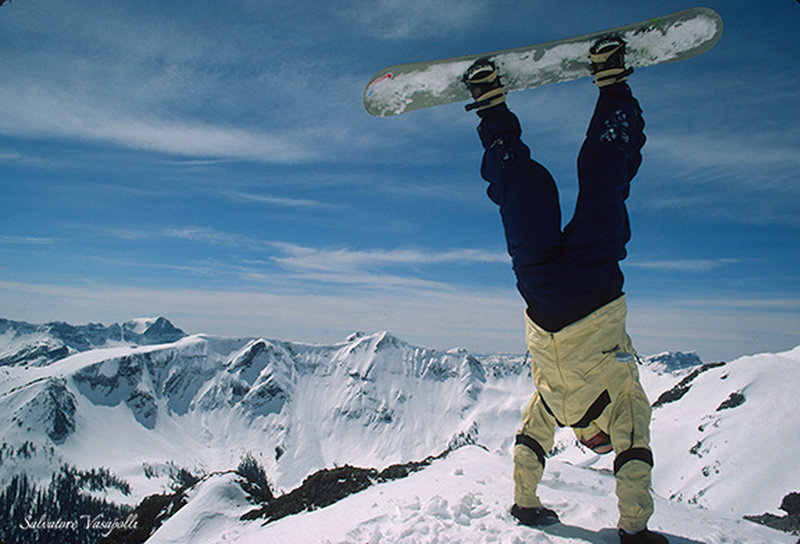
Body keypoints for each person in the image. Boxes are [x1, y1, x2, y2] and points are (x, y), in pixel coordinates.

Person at [463, 37, 667, 544]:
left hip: (549, 296)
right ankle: (612, 85)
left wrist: (525, 503)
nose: (602, 442)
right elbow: (635, 457)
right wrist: (635, 530)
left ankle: (491, 108)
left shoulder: (555, 407)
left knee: (527, 192)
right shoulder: (625, 404)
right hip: (589, 291)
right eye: (603, 444)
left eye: (596, 445)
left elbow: (529, 446)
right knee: (600, 183)